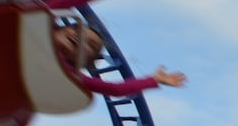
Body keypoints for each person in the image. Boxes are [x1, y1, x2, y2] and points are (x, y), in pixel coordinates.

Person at [51, 23, 187, 98]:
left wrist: (154, 80)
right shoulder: (42, 22)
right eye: (77, 30)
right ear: (63, 27)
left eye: (90, 44)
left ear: (85, 62)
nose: (80, 38)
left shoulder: (67, 73)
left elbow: (114, 89)